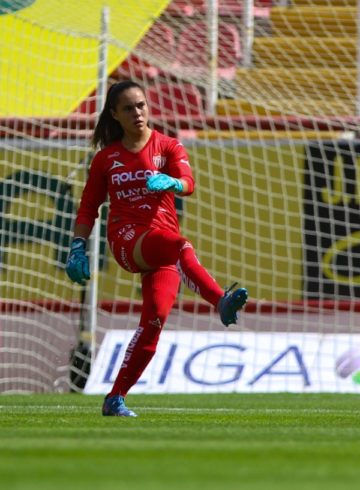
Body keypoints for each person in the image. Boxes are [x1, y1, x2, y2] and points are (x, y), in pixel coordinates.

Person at [65, 80, 248, 417]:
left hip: (160, 246)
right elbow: (89, 206)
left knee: (155, 320)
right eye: (129, 108)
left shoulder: (168, 146)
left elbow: (189, 184)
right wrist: (77, 245)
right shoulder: (106, 158)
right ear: (115, 115)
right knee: (180, 247)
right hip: (126, 240)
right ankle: (220, 301)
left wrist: (174, 183)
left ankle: (115, 397)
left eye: (141, 105)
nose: (138, 112)